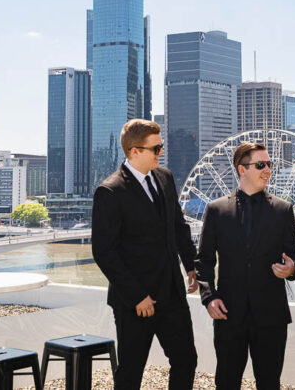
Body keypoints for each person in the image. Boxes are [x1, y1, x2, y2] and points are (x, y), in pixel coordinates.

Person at [91, 119, 199, 390]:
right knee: (131, 371)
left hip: (172, 292)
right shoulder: (110, 191)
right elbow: (104, 252)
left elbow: (178, 226)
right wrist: (137, 296)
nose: (160, 153)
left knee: (186, 360)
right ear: (134, 151)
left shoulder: (165, 177)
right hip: (135, 302)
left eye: (160, 147)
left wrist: (191, 266)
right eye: (156, 148)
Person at [196, 142, 295, 389]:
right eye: (261, 165)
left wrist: (292, 269)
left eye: (269, 164)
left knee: (269, 382)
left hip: (271, 316)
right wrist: (209, 297)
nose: (268, 170)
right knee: (226, 381)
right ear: (241, 169)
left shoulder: (283, 209)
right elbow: (203, 261)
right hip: (228, 314)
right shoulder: (216, 209)